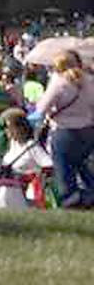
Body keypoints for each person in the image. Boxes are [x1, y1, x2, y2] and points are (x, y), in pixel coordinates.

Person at [36, 50, 94, 207]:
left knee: (64, 167)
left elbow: (41, 107)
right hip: (88, 129)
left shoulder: (59, 82)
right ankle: (90, 194)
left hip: (64, 130)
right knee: (83, 164)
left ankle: (70, 198)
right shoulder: (90, 81)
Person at [0, 110, 50, 211]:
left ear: (20, 127)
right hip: (4, 193)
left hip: (25, 194)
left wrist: (31, 177)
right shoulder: (11, 146)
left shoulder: (31, 146)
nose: (7, 130)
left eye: (9, 127)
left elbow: (48, 166)